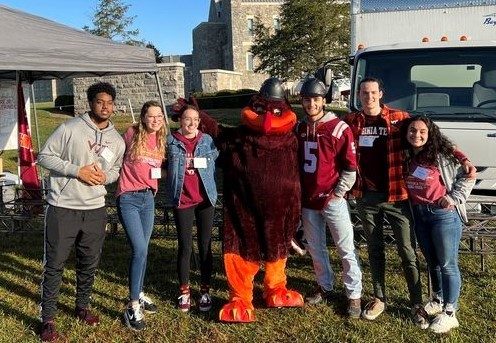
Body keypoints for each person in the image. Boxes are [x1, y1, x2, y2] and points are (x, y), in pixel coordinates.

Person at [343, 77, 475, 327]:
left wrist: (463, 158)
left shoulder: (399, 118)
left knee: (407, 251)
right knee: (374, 250)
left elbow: (435, 136)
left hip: (397, 196)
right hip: (366, 196)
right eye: (363, 93)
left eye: (373, 92)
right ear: (358, 95)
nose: (368, 97)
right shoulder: (352, 121)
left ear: (381, 93)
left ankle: (417, 303)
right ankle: (379, 297)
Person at [37, 82, 125, 342]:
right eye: (100, 101)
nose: (105, 106)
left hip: (95, 209)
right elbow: (44, 156)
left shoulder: (117, 140)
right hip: (63, 207)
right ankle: (48, 319)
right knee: (55, 264)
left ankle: (82, 306)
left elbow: (116, 169)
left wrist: (104, 177)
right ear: (90, 103)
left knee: (89, 262)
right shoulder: (70, 128)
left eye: (109, 102)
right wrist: (77, 171)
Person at [295, 77, 362, 318]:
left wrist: (338, 192)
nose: (311, 103)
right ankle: (324, 286)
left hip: (332, 198)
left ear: (324, 100)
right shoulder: (300, 128)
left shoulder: (338, 127)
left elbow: (350, 167)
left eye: (315, 99)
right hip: (309, 199)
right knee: (316, 248)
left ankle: (354, 294)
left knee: (345, 248)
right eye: (307, 99)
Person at [402, 115, 475, 333]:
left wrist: (454, 197)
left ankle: (451, 312)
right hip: (420, 215)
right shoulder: (406, 154)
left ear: (430, 133)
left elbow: (469, 175)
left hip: (443, 215)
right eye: (412, 130)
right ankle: (438, 299)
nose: (417, 135)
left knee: (447, 264)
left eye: (422, 131)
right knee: (432, 261)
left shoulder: (442, 155)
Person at [116, 100, 166, 330]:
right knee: (139, 249)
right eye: (151, 116)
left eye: (159, 116)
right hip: (128, 198)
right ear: (143, 117)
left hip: (148, 199)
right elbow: (114, 151)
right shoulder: (131, 133)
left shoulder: (162, 140)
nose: (155, 120)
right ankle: (132, 305)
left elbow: (162, 169)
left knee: (144, 249)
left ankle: (140, 291)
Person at [165, 103, 219, 313]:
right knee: (185, 246)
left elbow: (214, 158)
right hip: (183, 200)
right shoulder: (171, 141)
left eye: (196, 120)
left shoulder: (206, 140)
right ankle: (185, 291)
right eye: (187, 119)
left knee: (205, 245)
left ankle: (205, 290)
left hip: (205, 199)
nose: (192, 124)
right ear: (180, 120)